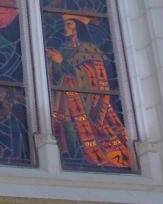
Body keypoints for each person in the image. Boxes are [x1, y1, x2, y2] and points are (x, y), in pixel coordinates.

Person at [48, 14, 131, 168]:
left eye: (70, 24)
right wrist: (55, 63)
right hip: (63, 97)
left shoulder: (89, 49)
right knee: (66, 125)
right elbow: (56, 75)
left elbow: (95, 75)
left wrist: (62, 62)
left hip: (84, 100)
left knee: (77, 128)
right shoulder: (65, 50)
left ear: (78, 27)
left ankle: (79, 159)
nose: (66, 28)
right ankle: (69, 156)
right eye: (65, 25)